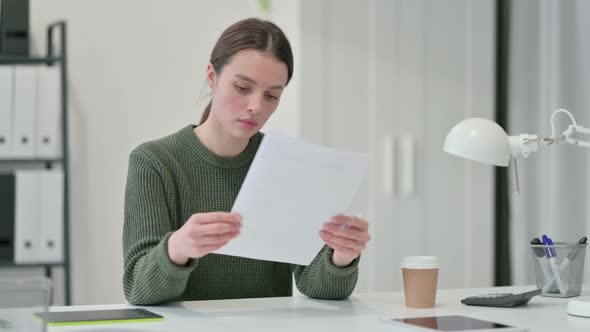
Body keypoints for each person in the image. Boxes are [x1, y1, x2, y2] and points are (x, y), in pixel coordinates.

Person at [122, 17, 371, 305]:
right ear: (212, 77)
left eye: (271, 95)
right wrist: (177, 248)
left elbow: (317, 286)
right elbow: (138, 289)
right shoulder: (154, 162)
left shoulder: (285, 164)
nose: (256, 106)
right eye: (242, 88)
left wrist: (341, 256)